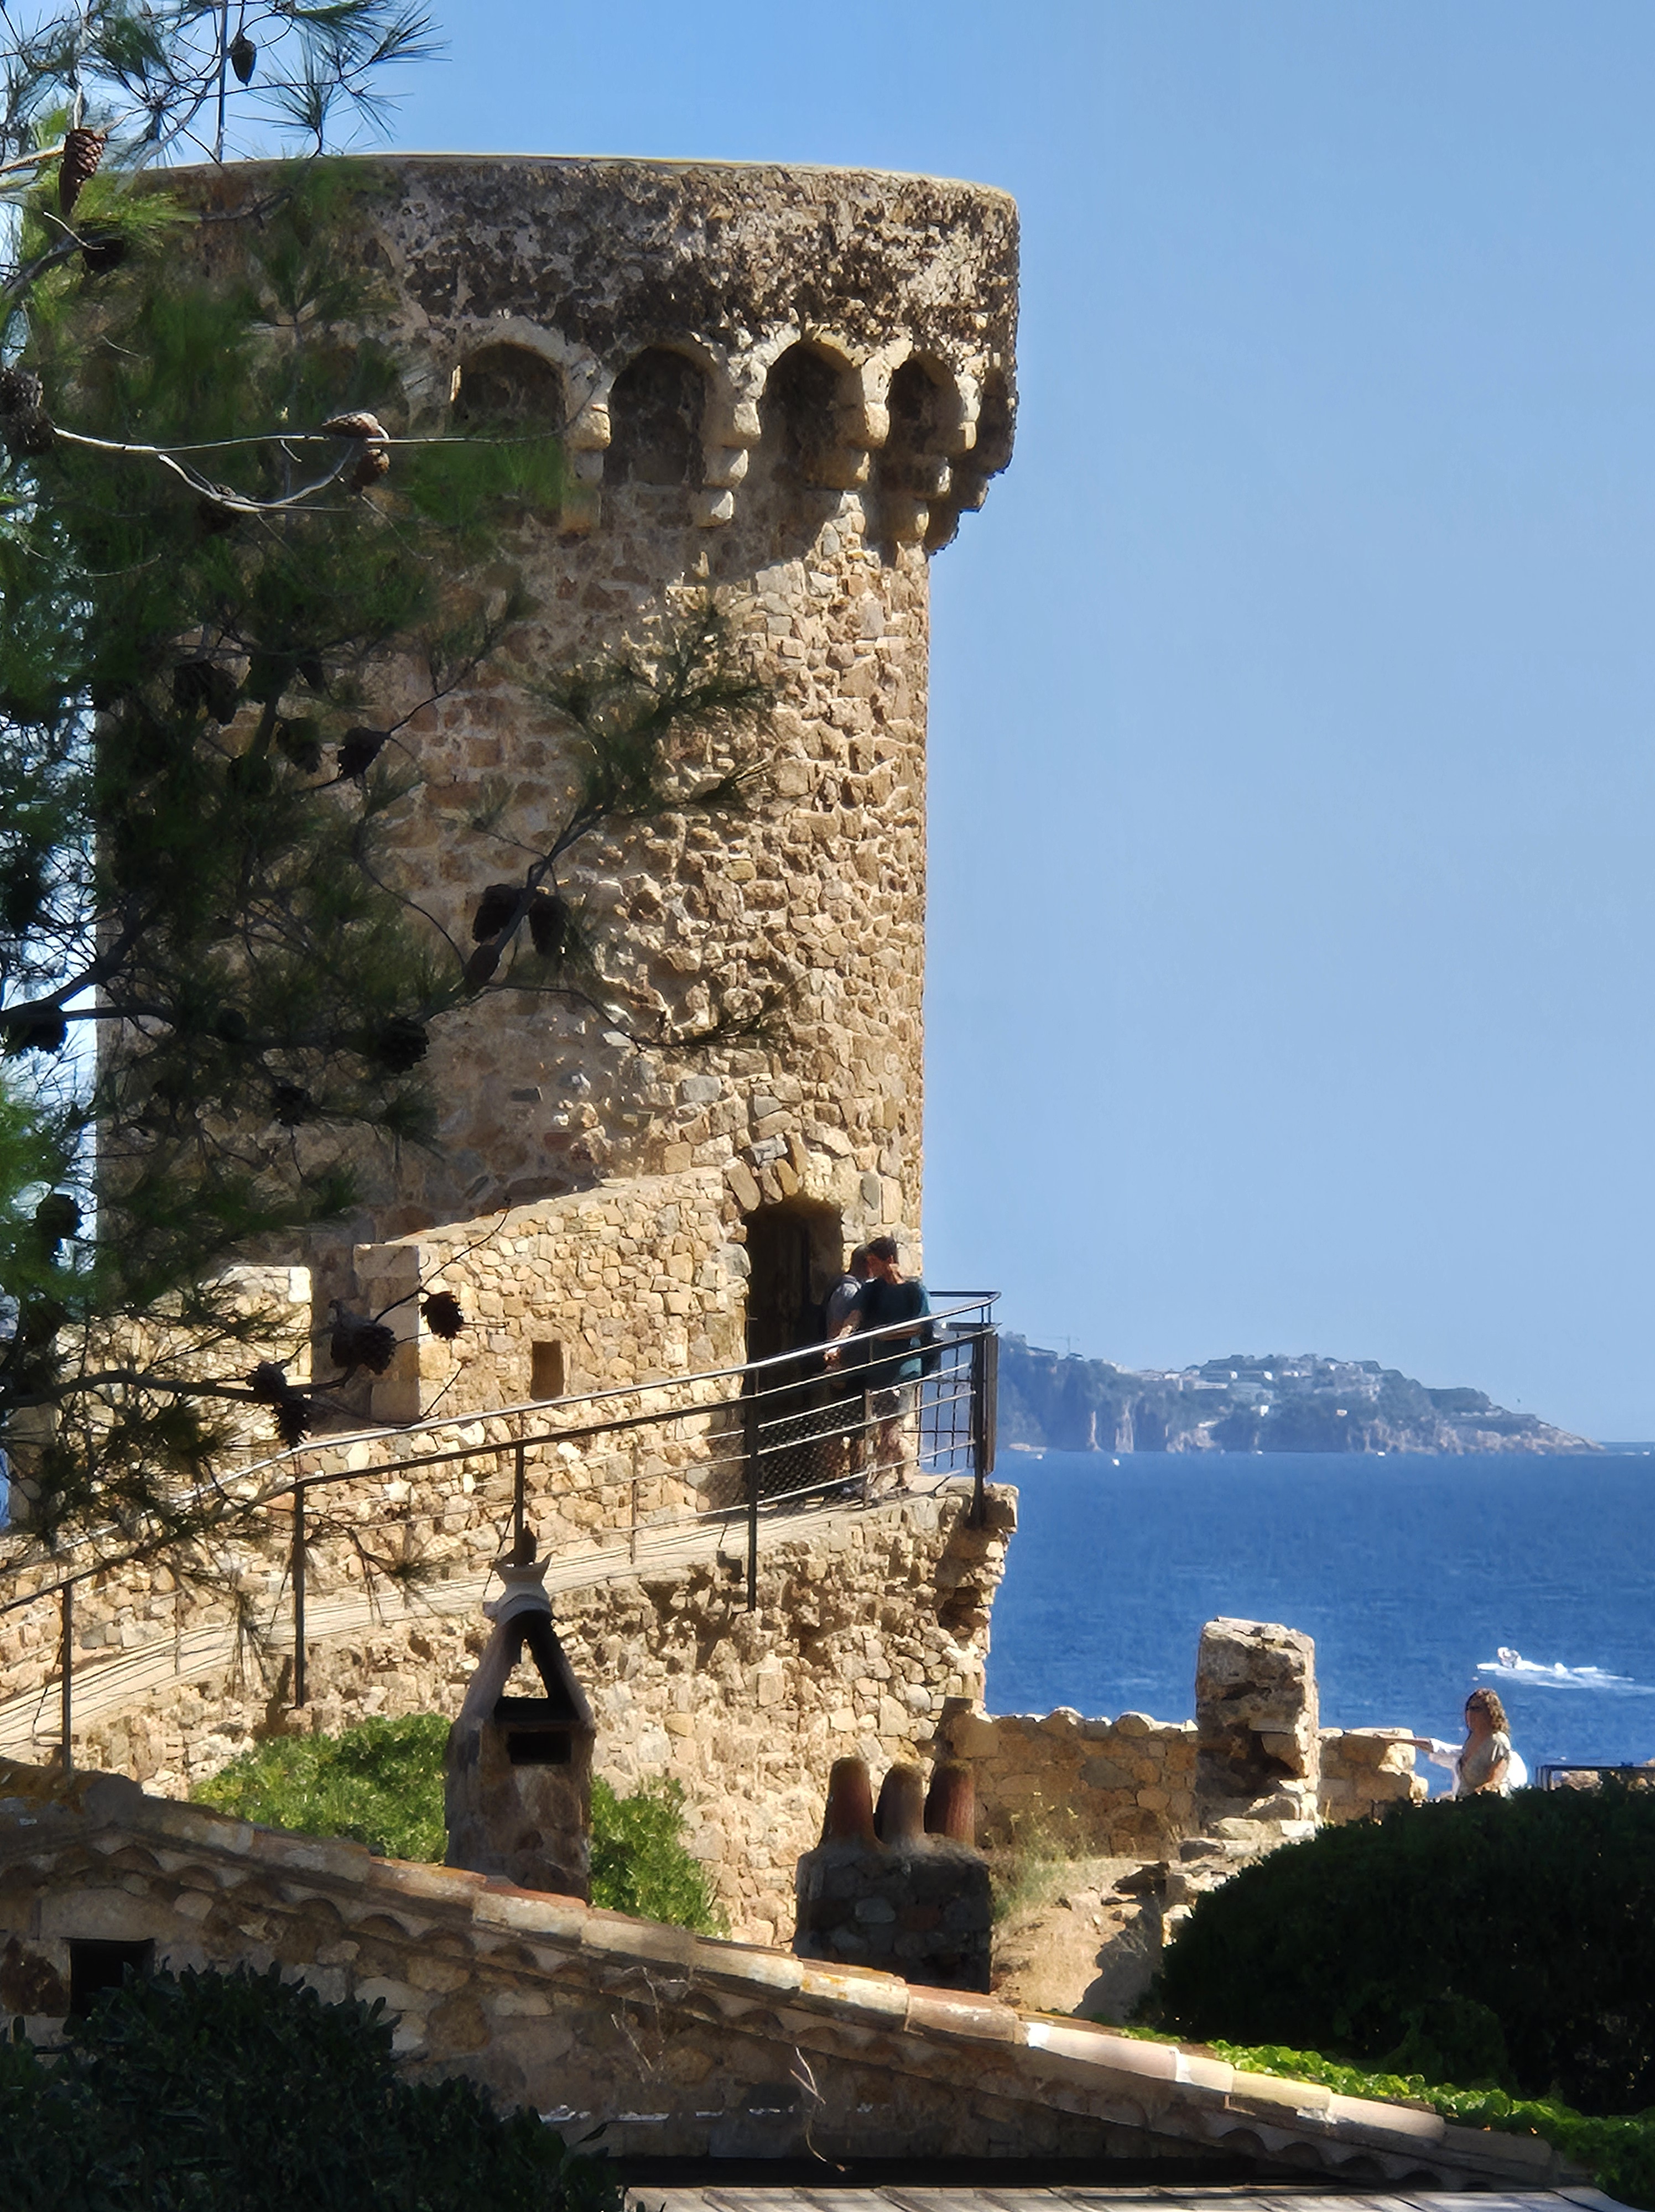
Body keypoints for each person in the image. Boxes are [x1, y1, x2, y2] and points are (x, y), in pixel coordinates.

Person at [842, 1236, 936, 1494]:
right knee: (886, 1428)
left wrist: (886, 1334)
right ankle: (906, 1473)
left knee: (891, 1432)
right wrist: (839, 1342)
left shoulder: (914, 1291)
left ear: (889, 1261)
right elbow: (855, 1316)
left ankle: (878, 1483)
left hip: (905, 1370)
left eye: (874, 1261)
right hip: (879, 1371)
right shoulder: (872, 1290)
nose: (870, 1267)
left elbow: (920, 1326)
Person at [1409, 1687, 1526, 1797]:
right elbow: (1439, 1748)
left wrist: (1480, 1794)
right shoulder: (1472, 1739)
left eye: (1476, 1709)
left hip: (1484, 1806)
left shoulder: (1498, 1742)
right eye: (1469, 1708)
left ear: (1490, 1712)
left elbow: (1495, 1781)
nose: (1470, 1714)